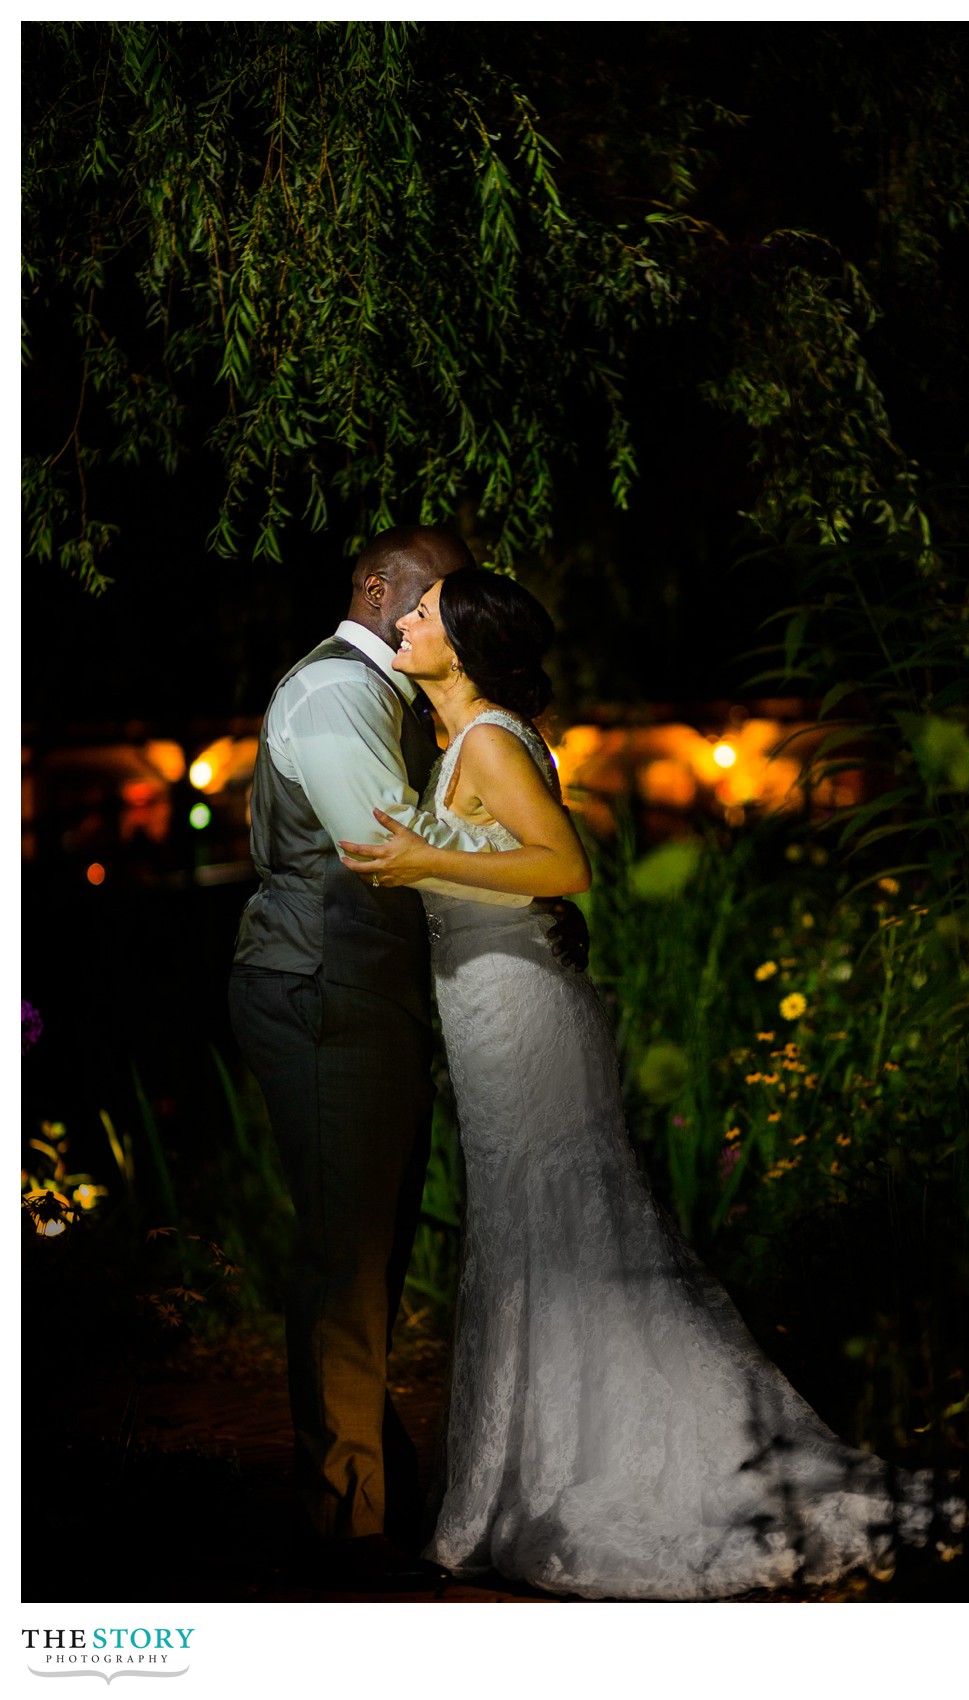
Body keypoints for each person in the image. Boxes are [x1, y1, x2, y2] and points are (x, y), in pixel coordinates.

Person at [339, 567, 966, 1601]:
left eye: (424, 610)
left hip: (522, 1018)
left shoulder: (489, 739)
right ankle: (521, 1478)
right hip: (500, 1013)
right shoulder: (472, 736)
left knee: (554, 1229)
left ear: (464, 642)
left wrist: (421, 866)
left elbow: (564, 866)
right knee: (541, 1234)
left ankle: (576, 1478)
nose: (402, 618)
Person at [228, 525, 586, 1590]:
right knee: (347, 1251)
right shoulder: (340, 694)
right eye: (437, 594)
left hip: (364, 991)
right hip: (324, 985)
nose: (449, 611)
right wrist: (531, 881)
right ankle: (347, 1527)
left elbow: (431, 851)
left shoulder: (407, 707)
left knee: (364, 1245)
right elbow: (387, 853)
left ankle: (376, 1487)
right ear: (381, 590)